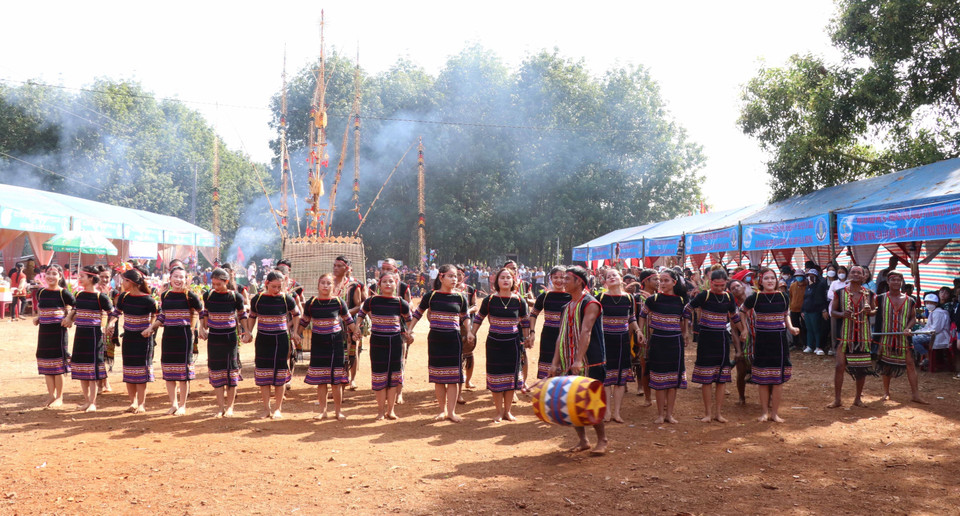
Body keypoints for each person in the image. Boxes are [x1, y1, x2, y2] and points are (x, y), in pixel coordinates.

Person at [549, 265, 607, 454]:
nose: (562, 282)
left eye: (567, 279)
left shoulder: (590, 303)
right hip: (569, 360)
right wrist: (555, 363)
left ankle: (602, 440)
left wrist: (579, 359)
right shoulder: (566, 306)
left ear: (579, 282)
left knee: (591, 400)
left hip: (590, 360)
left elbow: (586, 331)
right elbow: (560, 335)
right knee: (571, 401)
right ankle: (583, 440)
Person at [409, 264, 470, 422]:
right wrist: (409, 329)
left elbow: (465, 316)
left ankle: (451, 412)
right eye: (450, 276)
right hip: (436, 339)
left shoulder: (460, 297)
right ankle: (442, 410)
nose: (454, 279)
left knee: (453, 377)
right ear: (441, 277)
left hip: (453, 340)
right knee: (438, 377)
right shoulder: (431, 296)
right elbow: (418, 313)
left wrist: (469, 331)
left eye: (455, 276)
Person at [468, 267, 531, 422]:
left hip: (514, 345)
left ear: (513, 281)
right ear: (497, 281)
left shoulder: (519, 300)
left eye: (508, 277)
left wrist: (527, 338)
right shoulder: (489, 300)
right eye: (502, 277)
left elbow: (525, 321)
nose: (505, 280)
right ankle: (498, 411)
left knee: (510, 378)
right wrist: (472, 333)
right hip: (494, 344)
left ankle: (507, 412)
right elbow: (479, 318)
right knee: (496, 378)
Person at [142, 266, 203, 415]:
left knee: (183, 373)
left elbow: (202, 312)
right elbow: (163, 315)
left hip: (184, 336)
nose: (178, 280)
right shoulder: (166, 295)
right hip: (168, 335)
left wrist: (202, 328)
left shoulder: (190, 296)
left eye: (182, 277)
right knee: (169, 370)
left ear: (186, 279)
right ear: (170, 279)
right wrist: (152, 327)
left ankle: (183, 405)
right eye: (175, 276)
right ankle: (174, 404)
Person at [299, 273, 361, 421]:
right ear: (318, 285)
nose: (325, 286)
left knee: (336, 380)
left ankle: (338, 412)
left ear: (333, 286)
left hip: (336, 343)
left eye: (328, 283)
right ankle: (323, 411)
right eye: (323, 283)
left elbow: (348, 320)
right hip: (318, 343)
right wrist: (296, 335)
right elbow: (304, 321)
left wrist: (356, 331)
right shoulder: (311, 303)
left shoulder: (338, 302)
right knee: (321, 379)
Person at [685, 269, 742, 423]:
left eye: (722, 286)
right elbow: (687, 310)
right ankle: (708, 413)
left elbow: (735, 316)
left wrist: (744, 331)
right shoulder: (705, 295)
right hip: (706, 338)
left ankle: (718, 413)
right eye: (716, 285)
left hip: (722, 339)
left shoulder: (729, 297)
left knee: (721, 378)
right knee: (706, 378)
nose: (719, 288)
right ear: (711, 283)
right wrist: (686, 329)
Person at [742, 268, 799, 422]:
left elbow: (786, 315)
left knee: (778, 379)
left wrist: (791, 328)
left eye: (772, 278)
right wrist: (745, 329)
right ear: (761, 281)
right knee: (762, 378)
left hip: (779, 341)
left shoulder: (783, 296)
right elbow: (742, 311)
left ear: (776, 280)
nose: (770, 281)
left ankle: (774, 414)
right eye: (766, 278)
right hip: (761, 341)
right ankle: (764, 413)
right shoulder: (755, 297)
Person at [355, 271, 412, 420]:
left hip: (395, 342)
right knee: (379, 376)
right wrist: (356, 327)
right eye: (385, 281)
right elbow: (361, 314)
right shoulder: (372, 301)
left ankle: (390, 410)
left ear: (396, 284)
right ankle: (380, 411)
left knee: (393, 377)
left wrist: (408, 333)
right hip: (377, 342)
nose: (388, 284)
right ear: (379, 284)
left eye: (391, 281)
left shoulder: (401, 302)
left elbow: (409, 319)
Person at [247, 270, 301, 419]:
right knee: (264, 373)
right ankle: (266, 409)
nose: (277, 290)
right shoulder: (257, 299)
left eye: (279, 287)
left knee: (280, 373)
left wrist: (295, 332)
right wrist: (249, 332)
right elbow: (252, 316)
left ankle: (278, 408)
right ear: (266, 284)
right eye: (274, 287)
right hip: (263, 340)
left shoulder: (286, 299)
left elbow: (297, 315)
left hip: (281, 341)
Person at [638, 269, 690, 424]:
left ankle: (669, 415)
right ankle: (660, 414)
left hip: (675, 342)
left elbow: (685, 319)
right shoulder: (653, 299)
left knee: (672, 381)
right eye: (661, 280)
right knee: (659, 380)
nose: (663, 283)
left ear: (674, 282)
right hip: (658, 341)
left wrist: (685, 333)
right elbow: (642, 315)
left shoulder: (681, 301)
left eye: (667, 280)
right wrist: (640, 332)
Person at [200, 268, 250, 418]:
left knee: (231, 372)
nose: (215, 287)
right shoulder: (208, 295)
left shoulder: (235, 297)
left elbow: (242, 314)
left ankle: (230, 407)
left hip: (230, 339)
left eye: (219, 284)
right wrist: (202, 328)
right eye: (213, 284)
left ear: (226, 282)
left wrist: (247, 331)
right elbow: (205, 313)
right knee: (217, 371)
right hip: (214, 338)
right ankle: (220, 407)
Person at [108, 268, 158, 414]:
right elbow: (117, 312)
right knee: (129, 370)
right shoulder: (124, 297)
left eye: (124, 280)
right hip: (128, 337)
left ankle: (141, 403)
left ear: (131, 282)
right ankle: (133, 403)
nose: (122, 283)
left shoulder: (148, 299)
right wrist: (111, 322)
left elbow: (159, 314)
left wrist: (151, 327)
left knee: (141, 372)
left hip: (143, 339)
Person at [828, 265, 877, 409]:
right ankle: (837, 399)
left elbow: (874, 311)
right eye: (853, 272)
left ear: (864, 277)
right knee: (839, 366)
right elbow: (833, 312)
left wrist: (870, 311)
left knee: (861, 369)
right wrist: (843, 314)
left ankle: (857, 399)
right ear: (849, 275)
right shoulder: (839, 292)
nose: (855, 274)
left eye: (859, 273)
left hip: (862, 336)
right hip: (844, 335)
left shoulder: (869, 294)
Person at [874, 272, 927, 404]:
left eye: (899, 280)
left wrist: (908, 327)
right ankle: (886, 392)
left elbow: (913, 318)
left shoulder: (910, 300)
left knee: (910, 364)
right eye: (893, 280)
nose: (896, 282)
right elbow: (873, 312)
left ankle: (915, 394)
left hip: (903, 338)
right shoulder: (880, 298)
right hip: (886, 337)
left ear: (902, 282)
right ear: (888, 282)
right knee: (886, 365)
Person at [68, 265, 115, 412]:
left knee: (92, 371)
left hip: (94, 336)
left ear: (90, 278)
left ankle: (93, 403)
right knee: (82, 368)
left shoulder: (101, 297)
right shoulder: (79, 295)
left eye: (82, 276)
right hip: (80, 334)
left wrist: (110, 325)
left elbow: (113, 313)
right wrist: (69, 318)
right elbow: (75, 310)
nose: (79, 279)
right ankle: (86, 401)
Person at [598, 268, 640, 423]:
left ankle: (617, 412)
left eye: (614, 275)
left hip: (623, 341)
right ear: (605, 281)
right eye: (608, 276)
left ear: (621, 278)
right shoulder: (600, 297)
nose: (611, 278)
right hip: (605, 340)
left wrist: (638, 331)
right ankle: (607, 411)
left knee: (620, 378)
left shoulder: (629, 298)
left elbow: (632, 318)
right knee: (606, 377)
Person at [33, 265, 75, 408]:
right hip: (44, 333)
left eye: (54, 274)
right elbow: (40, 306)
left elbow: (77, 306)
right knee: (46, 364)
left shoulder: (64, 293)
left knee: (58, 366)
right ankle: (51, 396)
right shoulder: (41, 292)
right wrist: (38, 317)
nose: (51, 276)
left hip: (58, 333)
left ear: (60, 277)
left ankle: (59, 397)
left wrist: (69, 318)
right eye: (48, 273)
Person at [529, 266, 571, 380]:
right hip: (548, 337)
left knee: (565, 368)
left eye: (562, 277)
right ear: (550, 278)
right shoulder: (545, 296)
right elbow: (533, 314)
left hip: (567, 338)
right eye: (555, 277)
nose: (559, 280)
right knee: (547, 367)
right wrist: (532, 332)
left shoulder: (572, 296)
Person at [333, 256, 366, 390]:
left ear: (346, 268)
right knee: (336, 352)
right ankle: (338, 381)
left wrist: (343, 315)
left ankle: (352, 379)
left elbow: (359, 306)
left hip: (349, 323)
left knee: (352, 351)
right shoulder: (329, 282)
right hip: (333, 323)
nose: (335, 268)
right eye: (334, 265)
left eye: (339, 266)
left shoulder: (354, 285)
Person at [632, 269, 659, 404]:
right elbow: (634, 317)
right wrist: (637, 333)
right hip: (643, 337)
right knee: (645, 366)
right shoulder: (637, 298)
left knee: (660, 367)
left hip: (659, 336)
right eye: (655, 279)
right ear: (646, 281)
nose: (658, 282)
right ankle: (647, 397)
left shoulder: (661, 297)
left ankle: (662, 398)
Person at [455, 265, 479, 401]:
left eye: (460, 274)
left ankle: (468, 381)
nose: (457, 277)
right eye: (455, 274)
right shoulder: (447, 290)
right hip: (452, 326)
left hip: (466, 326)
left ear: (464, 276)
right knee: (455, 356)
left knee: (468, 354)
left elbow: (475, 306)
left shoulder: (469, 289)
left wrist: (466, 312)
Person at [728, 279, 753, 405]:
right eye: (733, 288)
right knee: (741, 371)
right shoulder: (734, 308)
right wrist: (738, 350)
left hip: (758, 341)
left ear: (743, 287)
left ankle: (769, 398)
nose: (736, 288)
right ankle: (741, 397)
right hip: (743, 342)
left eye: (738, 285)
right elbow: (734, 331)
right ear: (731, 292)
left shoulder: (755, 301)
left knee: (765, 370)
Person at [911, 292, 951, 369]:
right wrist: (919, 331)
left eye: (931, 303)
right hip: (933, 334)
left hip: (938, 336)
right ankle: (922, 358)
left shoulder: (938, 313)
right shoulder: (933, 312)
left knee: (914, 339)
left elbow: (936, 329)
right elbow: (928, 326)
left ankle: (927, 356)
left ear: (936, 303)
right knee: (913, 336)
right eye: (927, 302)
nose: (929, 304)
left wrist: (921, 332)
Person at [802, 269, 829, 355]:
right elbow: (805, 299)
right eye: (808, 276)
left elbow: (819, 298)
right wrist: (802, 310)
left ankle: (818, 346)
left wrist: (822, 310)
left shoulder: (819, 286)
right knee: (809, 329)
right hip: (807, 311)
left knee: (816, 329)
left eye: (812, 276)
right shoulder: (807, 287)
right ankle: (809, 346)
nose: (810, 277)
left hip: (815, 310)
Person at [788, 271, 807, 350]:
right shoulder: (792, 286)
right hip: (793, 309)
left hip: (803, 310)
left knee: (804, 327)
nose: (798, 277)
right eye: (797, 276)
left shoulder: (806, 286)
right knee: (794, 326)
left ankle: (805, 343)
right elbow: (791, 297)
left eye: (800, 276)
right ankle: (795, 344)